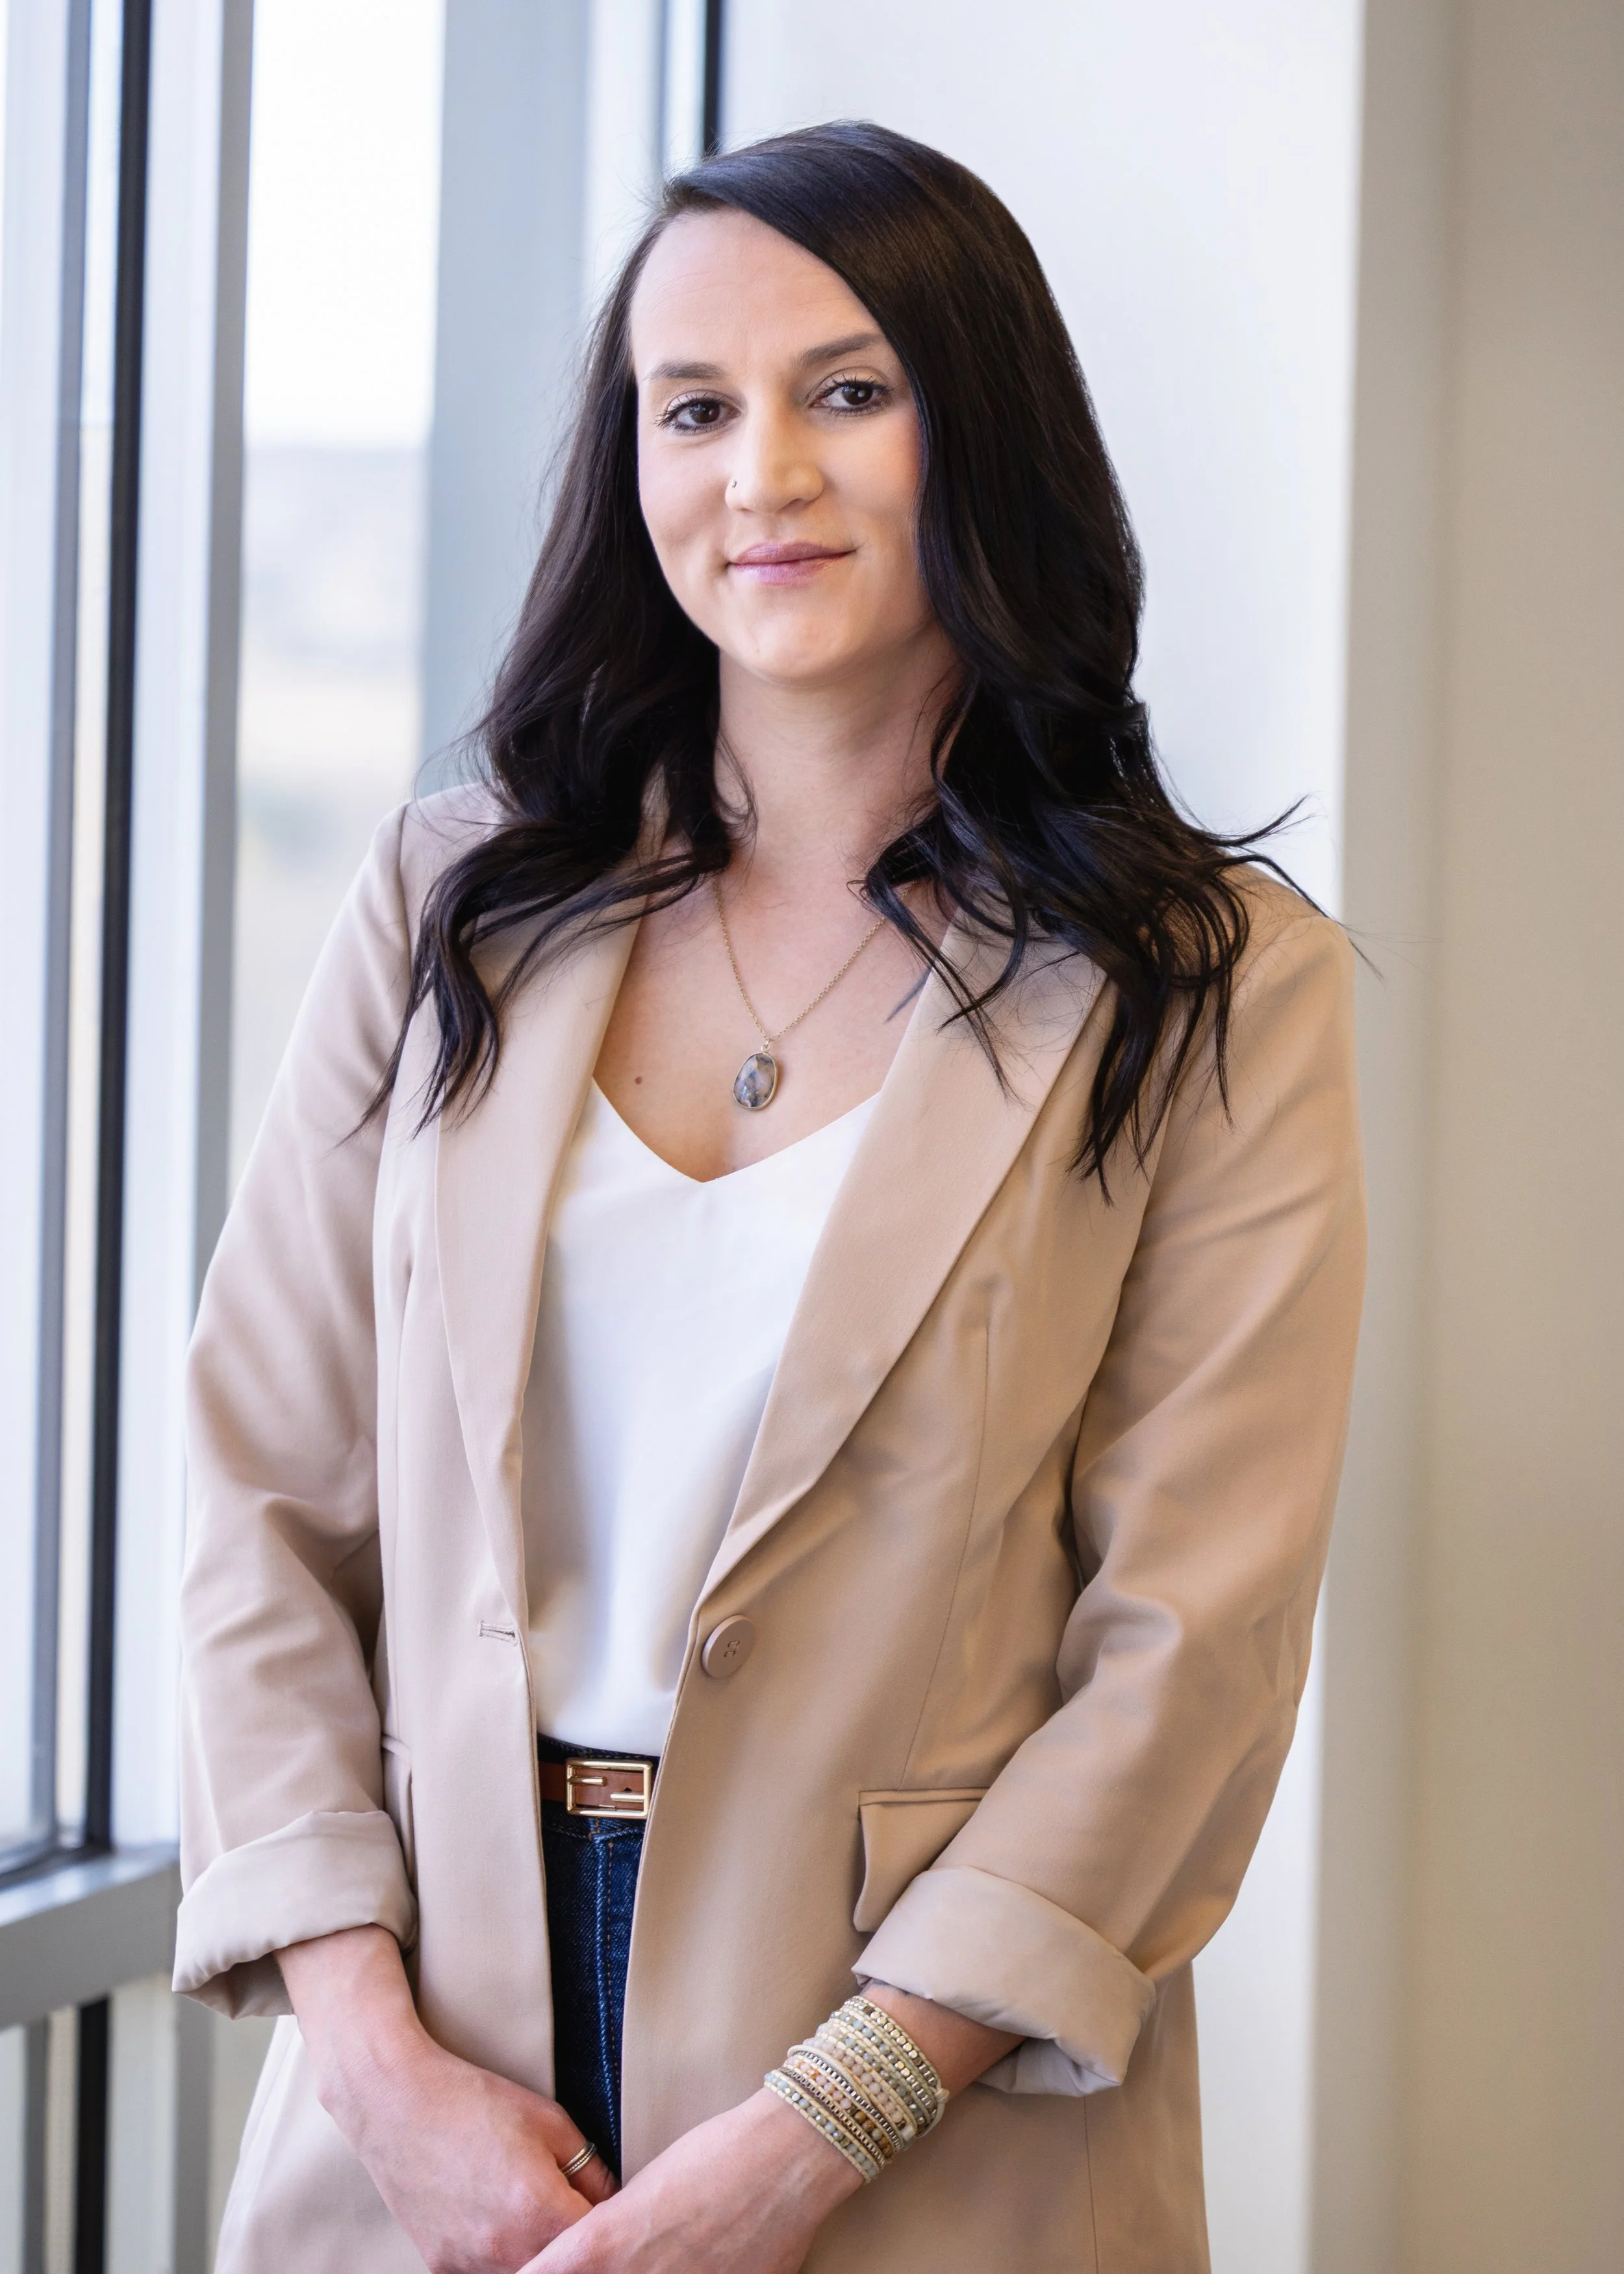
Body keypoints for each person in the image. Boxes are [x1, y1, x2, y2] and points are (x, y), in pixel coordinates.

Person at [174, 121, 1365, 2274]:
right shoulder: (452, 904)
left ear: (979, 431)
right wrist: (373, 2060)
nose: (760, 477)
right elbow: (260, 1488)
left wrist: (819, 2128)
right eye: (692, 409)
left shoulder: (1210, 987)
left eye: (846, 392)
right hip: (440, 2062)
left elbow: (1189, 1644)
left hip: (928, 2087)